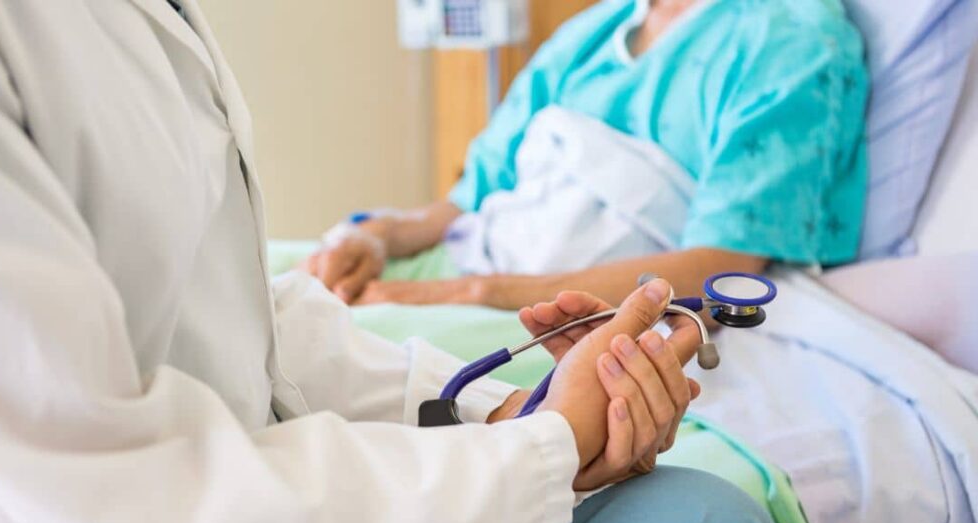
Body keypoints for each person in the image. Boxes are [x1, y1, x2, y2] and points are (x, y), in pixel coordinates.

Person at [0, 1, 779, 523]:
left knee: (708, 517)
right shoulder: (589, 35)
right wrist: (543, 445)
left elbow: (218, 310)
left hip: (483, 298)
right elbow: (124, 520)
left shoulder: (791, 31)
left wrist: (505, 413)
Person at [306, 0, 869, 310]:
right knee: (273, 293)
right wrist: (377, 235)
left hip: (553, 308)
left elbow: (718, 269)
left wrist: (469, 296)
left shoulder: (795, 40)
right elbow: (467, 199)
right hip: (473, 259)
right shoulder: (591, 34)